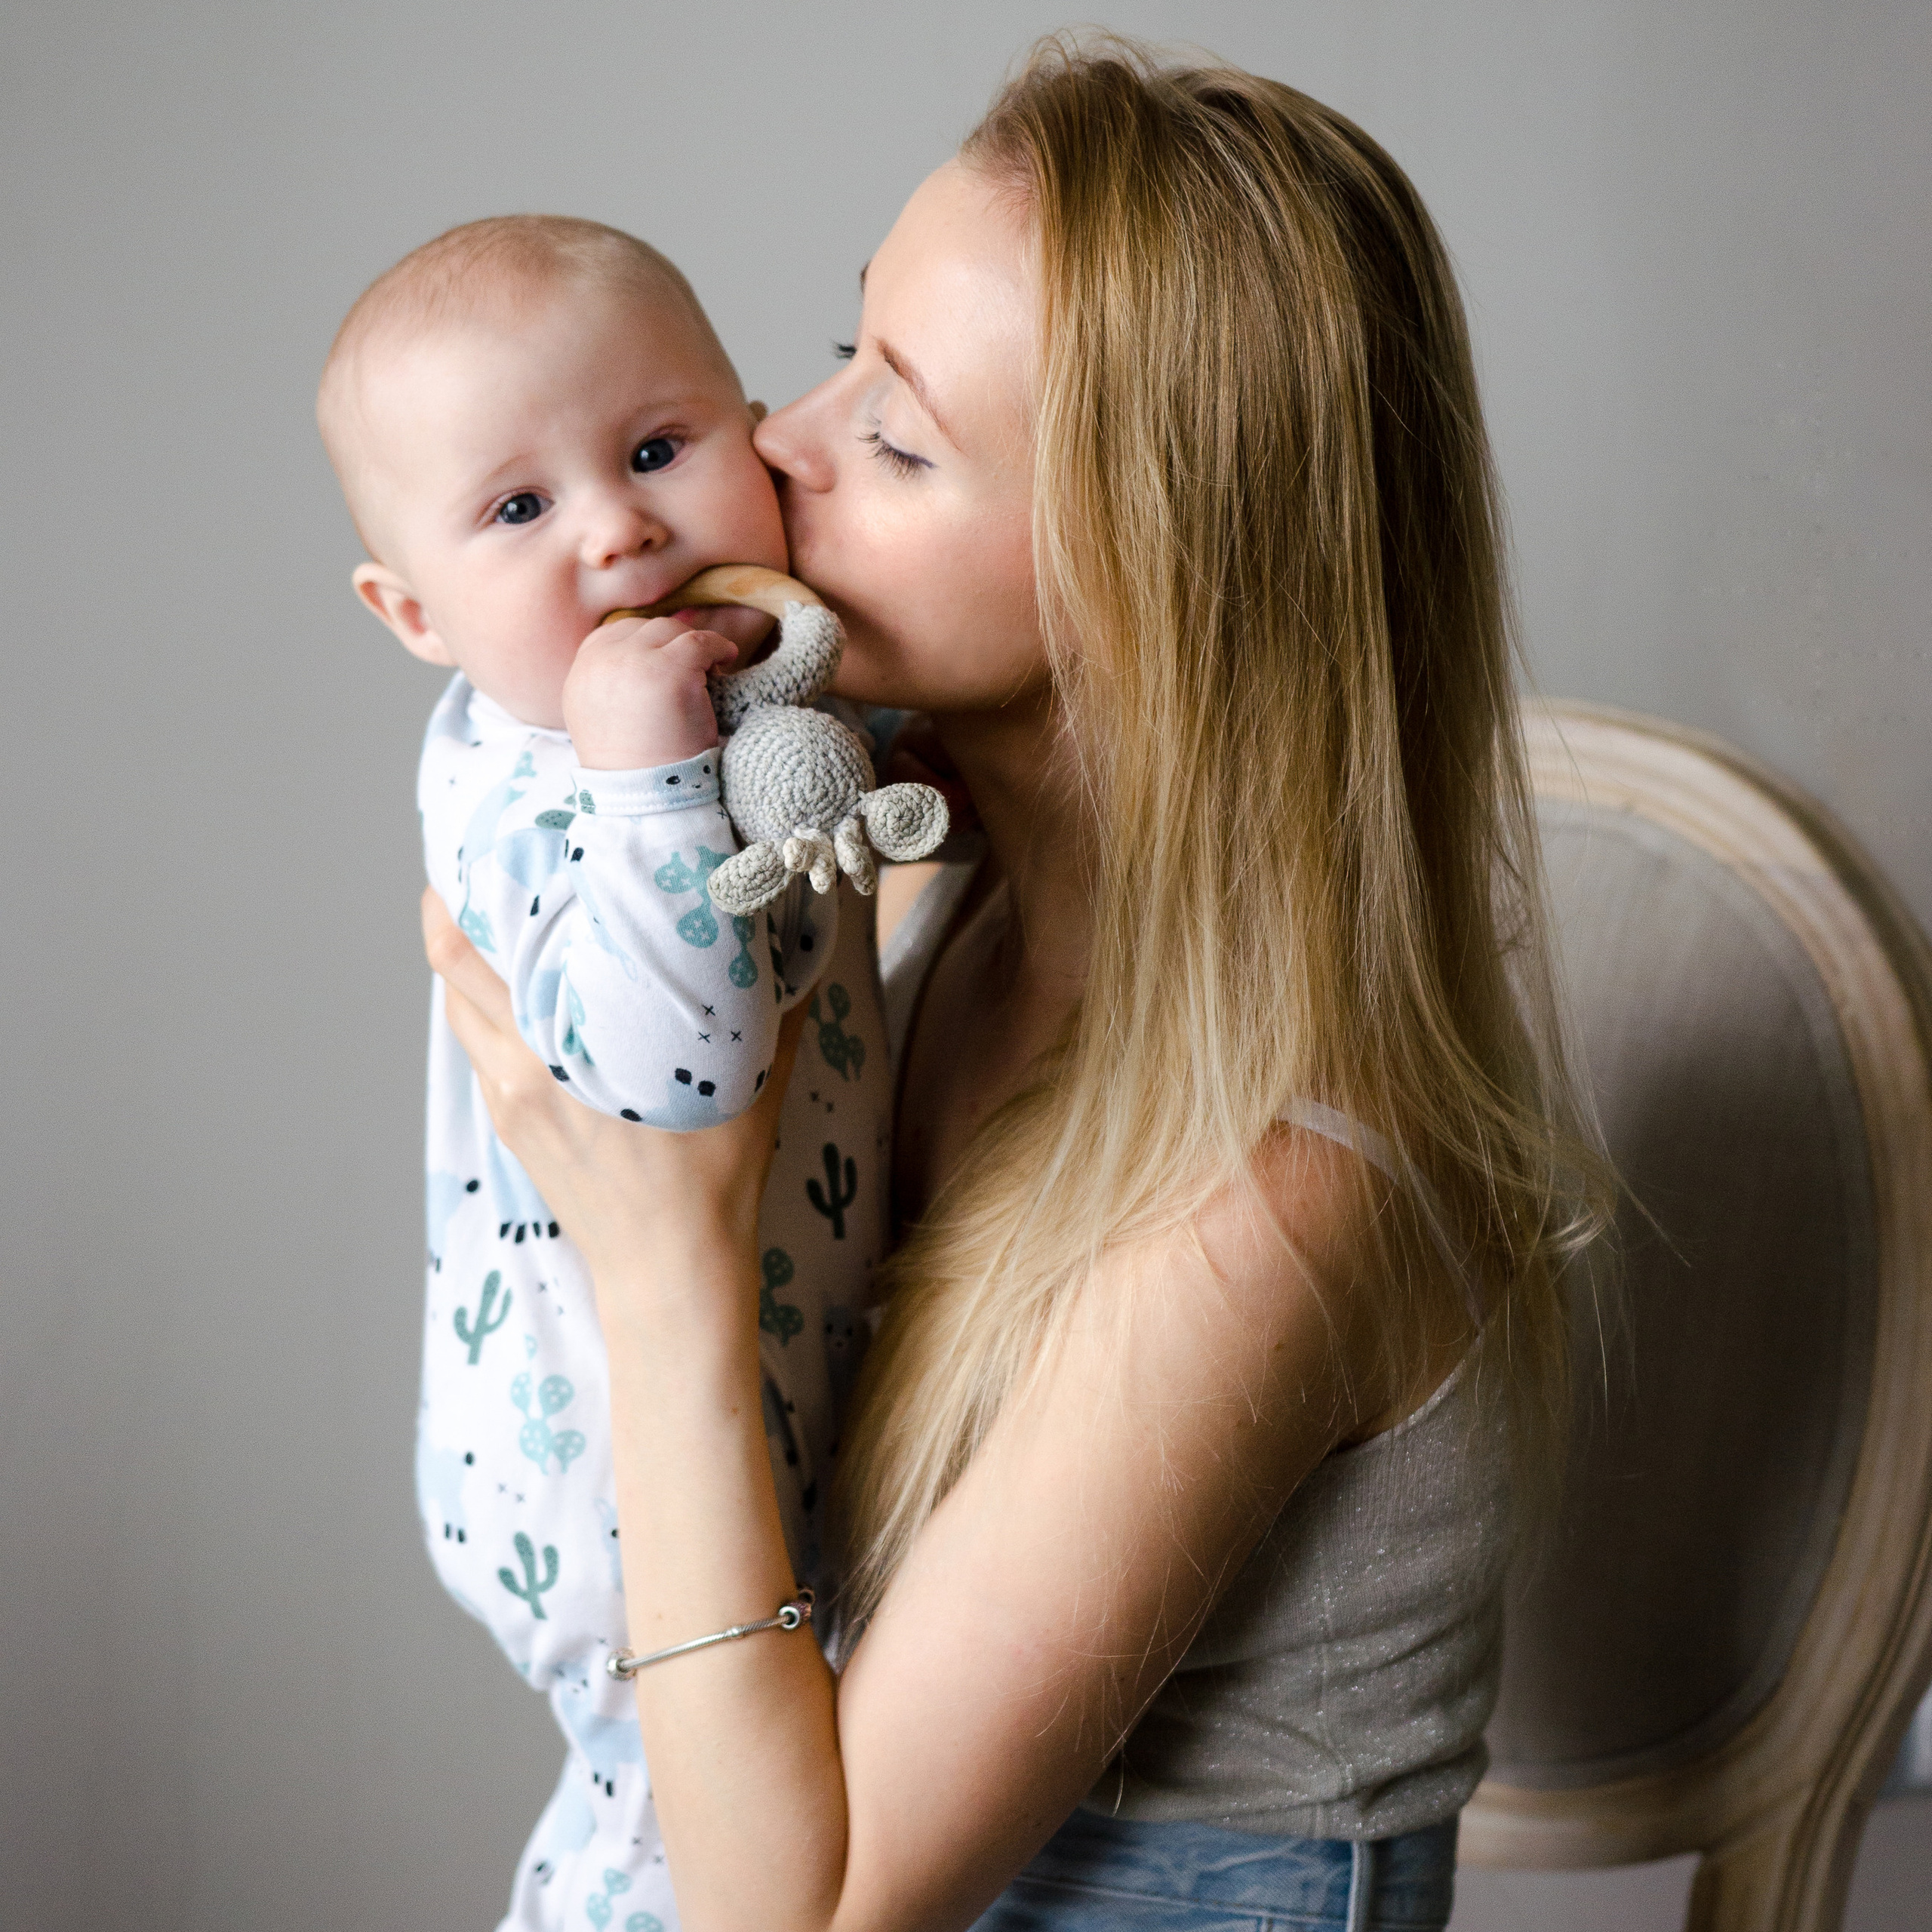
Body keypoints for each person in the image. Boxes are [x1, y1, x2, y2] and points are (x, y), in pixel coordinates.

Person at [423, 38, 1608, 1932]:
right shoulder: (945, 914)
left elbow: (791, 1918)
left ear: (1159, 601)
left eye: (897, 438)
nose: (776, 444)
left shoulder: (1268, 1194)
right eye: (844, 348)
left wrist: (661, 1262)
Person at [318, 217, 899, 1927]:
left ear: (746, 428)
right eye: (520, 509)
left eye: (658, 449)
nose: (620, 526)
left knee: (648, 1805)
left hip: (745, 1380)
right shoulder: (538, 789)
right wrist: (647, 770)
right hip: (597, 1458)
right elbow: (675, 1073)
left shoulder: (723, 713)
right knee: (669, 1831)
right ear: (415, 612)